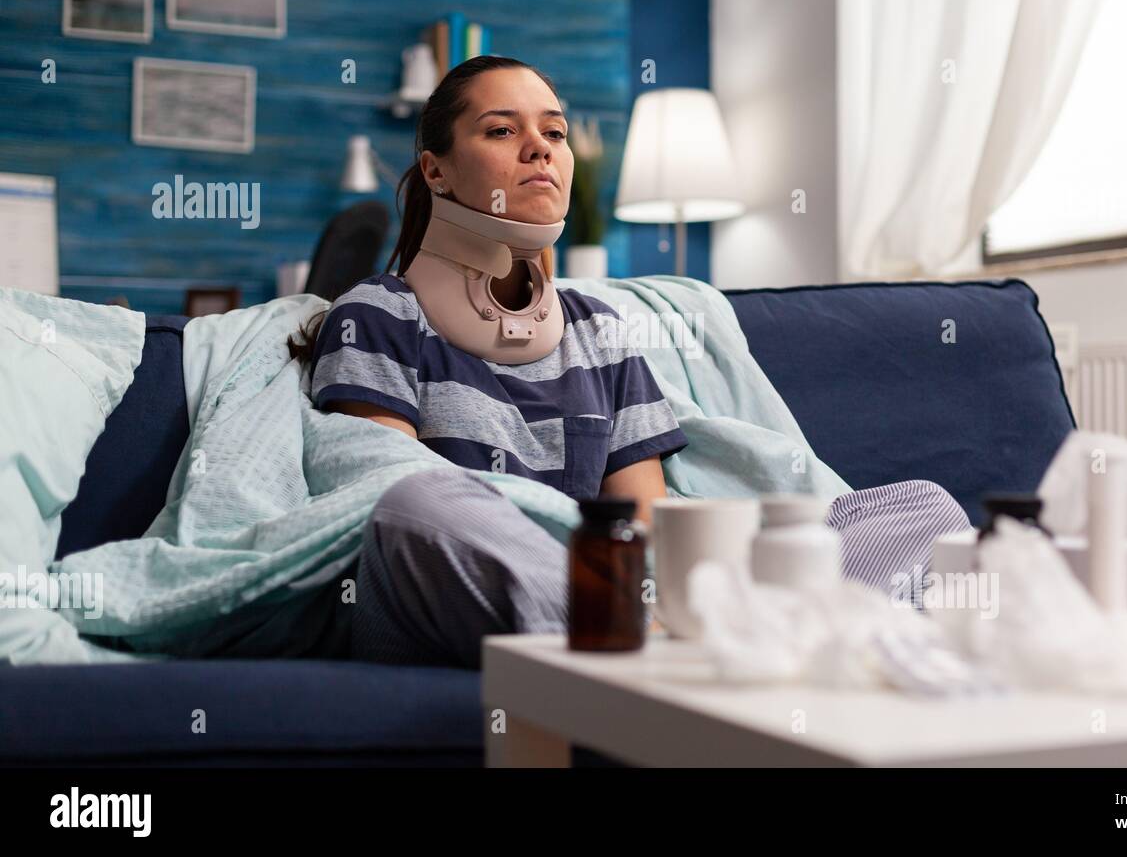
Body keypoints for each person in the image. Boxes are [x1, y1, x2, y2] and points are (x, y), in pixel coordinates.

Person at [289, 55, 968, 670]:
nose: (540, 150)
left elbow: (644, 517)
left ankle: (723, 645)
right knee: (420, 504)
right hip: (459, 586)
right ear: (435, 169)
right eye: (501, 131)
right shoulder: (380, 312)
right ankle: (695, 649)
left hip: (613, 595)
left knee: (921, 509)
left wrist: (689, 576)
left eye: (554, 134)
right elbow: (378, 493)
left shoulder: (599, 330)